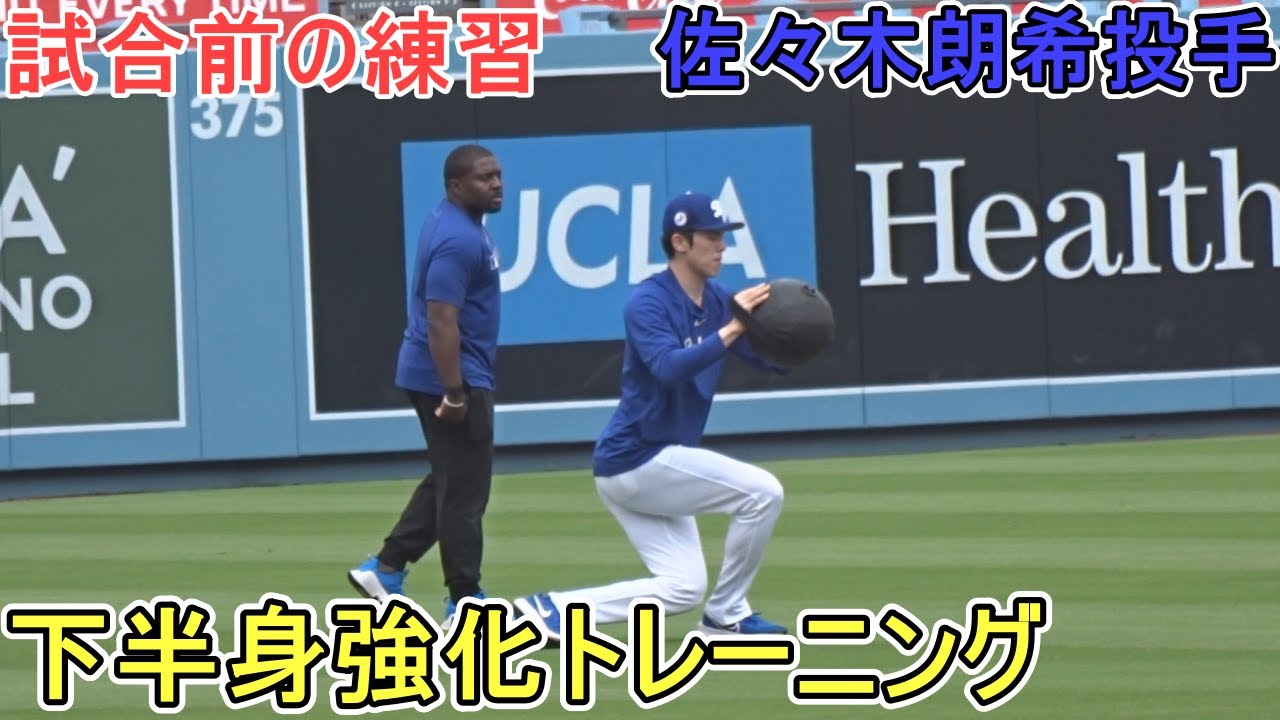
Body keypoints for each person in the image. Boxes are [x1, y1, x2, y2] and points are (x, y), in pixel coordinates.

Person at [514, 190, 791, 641]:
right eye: (710, 236)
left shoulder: (719, 302)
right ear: (679, 242)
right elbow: (668, 368)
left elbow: (767, 359)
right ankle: (727, 616)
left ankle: (548, 612)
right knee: (763, 492)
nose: (721, 246)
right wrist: (733, 328)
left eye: (723, 236)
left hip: (659, 464)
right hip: (635, 458)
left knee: (684, 587)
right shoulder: (647, 302)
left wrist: (791, 336)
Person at [348, 144, 504, 629]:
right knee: (465, 495)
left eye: (497, 175)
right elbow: (441, 320)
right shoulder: (458, 240)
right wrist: (454, 392)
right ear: (456, 186)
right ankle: (465, 599)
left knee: (451, 478)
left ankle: (386, 568)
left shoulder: (456, 222)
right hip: (451, 376)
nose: (496, 184)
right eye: (484, 178)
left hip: (445, 371)